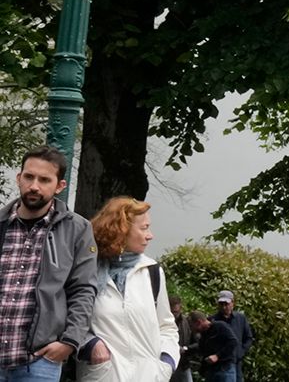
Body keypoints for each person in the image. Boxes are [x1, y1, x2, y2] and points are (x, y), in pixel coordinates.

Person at [0, 147, 96, 380]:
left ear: (59, 186)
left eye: (44, 180)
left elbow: (83, 289)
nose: (34, 186)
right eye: (29, 177)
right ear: (19, 178)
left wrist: (69, 342)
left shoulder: (78, 229)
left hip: (38, 362)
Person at [77, 197, 179, 382]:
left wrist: (167, 362)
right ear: (121, 230)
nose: (150, 235)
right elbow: (69, 319)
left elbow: (166, 326)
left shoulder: (152, 271)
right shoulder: (86, 270)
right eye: (144, 228)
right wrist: (90, 345)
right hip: (105, 375)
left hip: (150, 376)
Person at [208, 293, 251, 379]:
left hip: (237, 362)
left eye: (226, 304)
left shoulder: (240, 318)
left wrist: (241, 352)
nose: (224, 307)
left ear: (232, 303)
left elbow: (248, 337)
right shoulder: (212, 320)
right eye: (221, 304)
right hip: (221, 364)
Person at [187, 315, 238, 382]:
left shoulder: (219, 326)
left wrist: (217, 356)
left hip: (225, 368)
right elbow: (200, 347)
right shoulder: (204, 334)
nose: (192, 329)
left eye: (191, 326)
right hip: (211, 370)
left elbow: (233, 342)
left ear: (198, 322)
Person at [169, 297, 193, 382]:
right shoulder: (164, 322)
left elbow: (194, 338)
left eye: (176, 312)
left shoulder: (186, 321)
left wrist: (188, 348)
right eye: (172, 312)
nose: (174, 314)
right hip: (169, 363)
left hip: (184, 363)